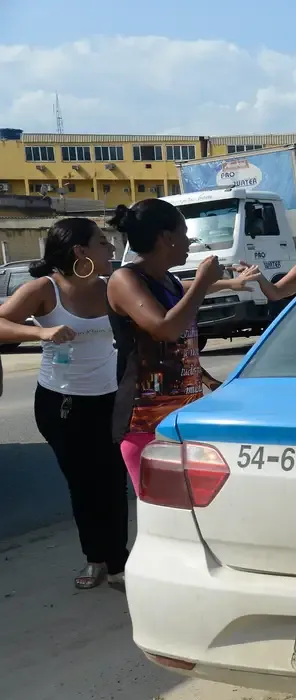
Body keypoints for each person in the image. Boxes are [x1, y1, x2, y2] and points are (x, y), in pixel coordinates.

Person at [0, 219, 127, 588]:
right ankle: (95, 559)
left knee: (113, 482)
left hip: (109, 399)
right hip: (61, 403)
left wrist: (225, 282)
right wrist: (39, 331)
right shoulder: (45, 289)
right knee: (82, 484)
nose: (111, 250)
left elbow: (166, 293)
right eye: (102, 243)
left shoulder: (110, 287)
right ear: (80, 251)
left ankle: (118, 563)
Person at [106, 200, 261, 496]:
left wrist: (205, 379)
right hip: (145, 425)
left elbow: (179, 347)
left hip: (183, 420)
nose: (189, 241)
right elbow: (166, 329)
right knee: (167, 512)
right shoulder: (125, 279)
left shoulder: (169, 282)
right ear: (166, 238)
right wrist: (204, 281)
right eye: (185, 232)